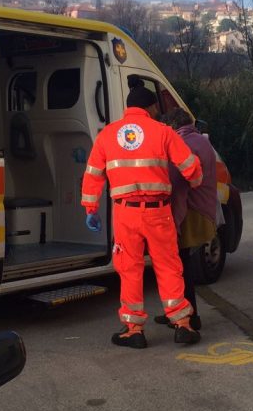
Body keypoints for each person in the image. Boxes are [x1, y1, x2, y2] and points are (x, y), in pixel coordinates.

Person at [81, 86, 204, 349]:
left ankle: (134, 329)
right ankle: (182, 324)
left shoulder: (107, 135)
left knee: (129, 269)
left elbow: (92, 173)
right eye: (156, 107)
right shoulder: (164, 132)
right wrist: (196, 181)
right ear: (149, 107)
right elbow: (190, 167)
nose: (158, 111)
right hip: (158, 211)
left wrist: (90, 207)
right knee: (169, 266)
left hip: (125, 213)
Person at [153, 107, 218, 332]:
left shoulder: (183, 146)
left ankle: (190, 317)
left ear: (172, 126)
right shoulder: (201, 140)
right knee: (181, 264)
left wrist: (173, 222)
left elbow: (179, 189)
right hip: (203, 210)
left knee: (179, 267)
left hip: (190, 213)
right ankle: (177, 313)